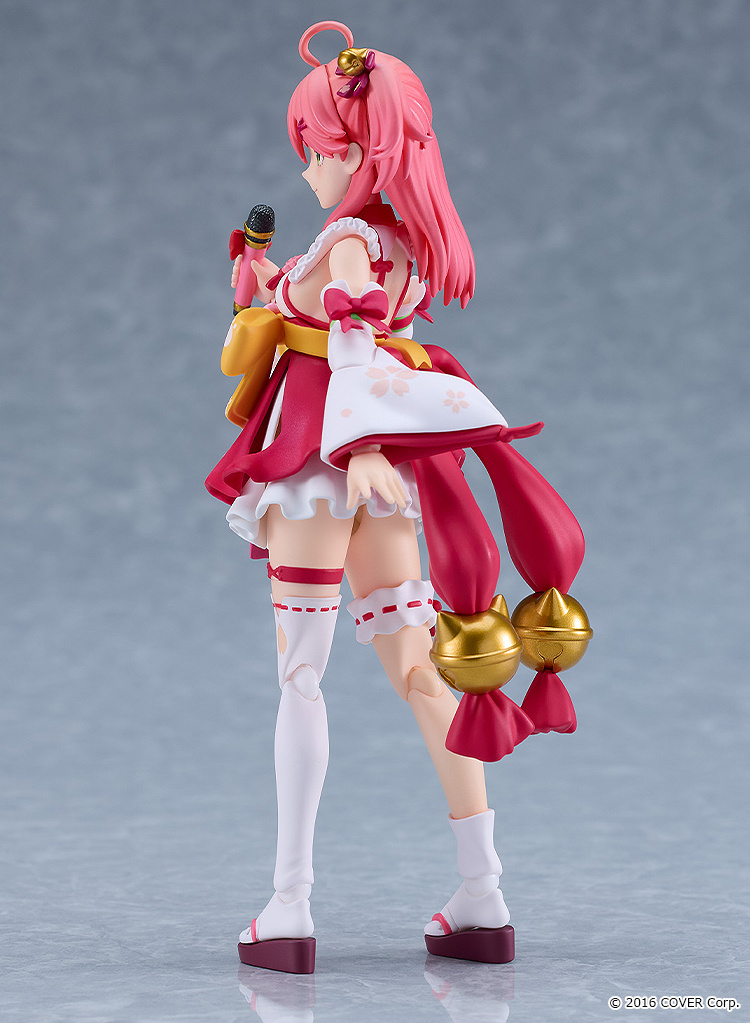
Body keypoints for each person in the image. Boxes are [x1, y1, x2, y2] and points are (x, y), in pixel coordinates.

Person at [206, 20, 586, 973]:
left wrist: (361, 442)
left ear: (349, 148)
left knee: (302, 677)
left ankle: (289, 906)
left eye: (313, 150)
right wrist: (267, 285)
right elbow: (355, 320)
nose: (307, 171)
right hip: (377, 478)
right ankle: (483, 893)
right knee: (419, 671)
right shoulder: (405, 238)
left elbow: (351, 335)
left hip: (319, 461)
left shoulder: (345, 238)